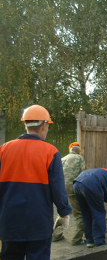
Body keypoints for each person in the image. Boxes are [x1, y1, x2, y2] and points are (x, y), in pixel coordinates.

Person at [0, 104, 72, 260]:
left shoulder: (4, 149)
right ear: (44, 125)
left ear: (26, 124)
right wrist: (64, 211)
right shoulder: (51, 152)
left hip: (9, 222)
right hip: (38, 223)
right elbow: (57, 188)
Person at [73, 168, 107, 248]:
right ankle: (100, 242)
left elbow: (105, 196)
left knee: (86, 213)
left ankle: (90, 240)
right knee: (99, 213)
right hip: (91, 184)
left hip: (77, 183)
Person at [52, 142, 86, 245]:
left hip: (62, 188)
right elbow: (83, 174)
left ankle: (56, 235)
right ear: (79, 151)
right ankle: (76, 239)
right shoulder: (80, 159)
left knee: (62, 213)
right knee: (79, 214)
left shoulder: (63, 158)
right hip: (73, 188)